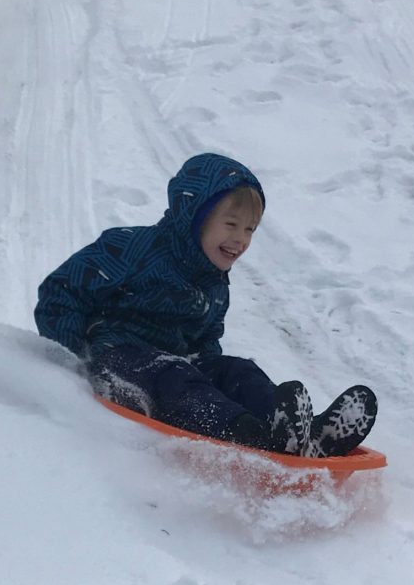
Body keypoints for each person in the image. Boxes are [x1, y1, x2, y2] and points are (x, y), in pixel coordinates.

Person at [34, 152, 377, 458]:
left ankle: (296, 430)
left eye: (250, 229)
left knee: (236, 370)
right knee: (177, 374)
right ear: (193, 217)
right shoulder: (130, 248)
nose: (241, 239)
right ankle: (249, 435)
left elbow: (207, 337)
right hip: (118, 361)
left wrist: (216, 373)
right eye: (230, 224)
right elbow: (62, 290)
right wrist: (70, 358)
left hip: (176, 367)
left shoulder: (214, 283)